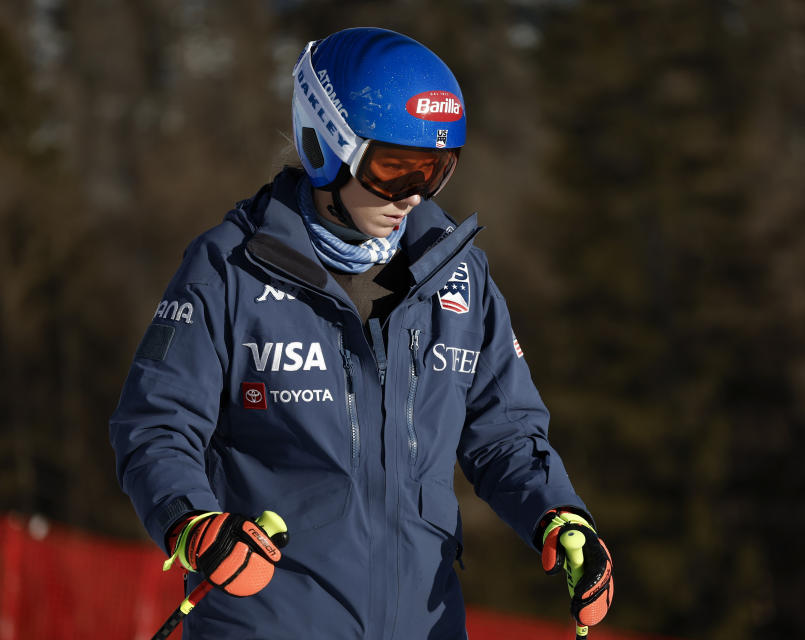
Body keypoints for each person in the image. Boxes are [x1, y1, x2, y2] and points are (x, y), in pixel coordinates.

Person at [110, 27, 613, 639]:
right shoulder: (229, 268)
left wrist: (559, 516)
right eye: (392, 169)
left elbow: (504, 435)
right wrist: (192, 523)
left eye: (434, 170)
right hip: (271, 622)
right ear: (324, 145)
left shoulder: (457, 277)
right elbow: (157, 425)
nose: (412, 196)